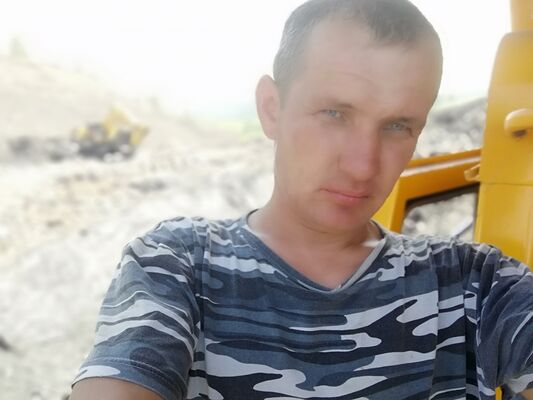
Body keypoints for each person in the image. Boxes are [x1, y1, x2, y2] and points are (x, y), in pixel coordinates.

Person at [70, 0, 533, 399]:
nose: (362, 165)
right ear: (271, 108)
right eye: (334, 113)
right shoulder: (177, 265)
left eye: (397, 126)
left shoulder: (476, 284)